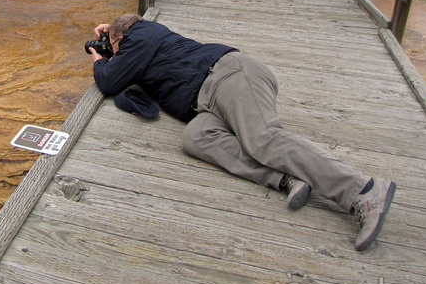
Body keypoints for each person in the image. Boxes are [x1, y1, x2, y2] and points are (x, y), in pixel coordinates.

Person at [87, 13, 396, 251]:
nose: (114, 52)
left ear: (122, 38)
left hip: (229, 76)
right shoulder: (141, 39)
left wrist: (100, 59)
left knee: (264, 138)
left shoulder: (141, 33)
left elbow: (110, 81)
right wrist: (112, 33)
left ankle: (363, 191)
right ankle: (286, 177)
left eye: (115, 46)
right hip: (208, 103)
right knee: (195, 137)